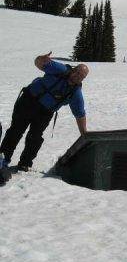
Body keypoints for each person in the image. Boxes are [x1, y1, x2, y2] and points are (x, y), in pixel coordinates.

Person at [0, 52, 89, 181]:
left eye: (81, 76)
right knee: (16, 130)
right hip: (29, 100)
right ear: (73, 69)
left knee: (35, 137)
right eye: (77, 72)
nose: (77, 76)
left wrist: (84, 134)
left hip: (45, 112)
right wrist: (41, 59)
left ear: (83, 79)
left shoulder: (76, 94)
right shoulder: (60, 69)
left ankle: (25, 163)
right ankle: (3, 160)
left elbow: (80, 114)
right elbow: (38, 63)